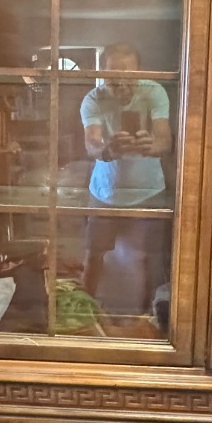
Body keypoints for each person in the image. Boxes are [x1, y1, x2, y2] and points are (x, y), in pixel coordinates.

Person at [80, 44, 172, 308]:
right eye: (112, 73)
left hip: (148, 191)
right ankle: (85, 317)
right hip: (105, 192)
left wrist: (150, 146)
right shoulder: (93, 99)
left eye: (126, 72)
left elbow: (164, 138)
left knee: (152, 261)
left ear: (139, 72)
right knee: (93, 256)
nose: (119, 80)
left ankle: (150, 321)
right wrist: (108, 150)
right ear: (103, 72)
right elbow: (91, 144)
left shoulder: (154, 91)